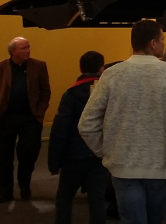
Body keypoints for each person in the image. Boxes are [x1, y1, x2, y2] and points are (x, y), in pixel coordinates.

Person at [79, 20, 166, 224]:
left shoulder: (111, 74)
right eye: (162, 39)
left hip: (122, 167)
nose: (164, 43)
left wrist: (106, 152)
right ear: (153, 43)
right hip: (160, 167)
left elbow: (86, 124)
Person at [0, 36, 51, 203]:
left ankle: (24, 185)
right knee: (3, 157)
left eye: (28, 47)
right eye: (24, 48)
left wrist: (40, 111)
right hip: (4, 118)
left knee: (28, 155)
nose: (28, 50)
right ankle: (4, 193)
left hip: (30, 118)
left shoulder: (39, 66)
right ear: (13, 51)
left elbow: (45, 91)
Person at [49, 51, 108, 224]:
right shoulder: (106, 93)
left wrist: (54, 162)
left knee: (64, 197)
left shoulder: (71, 94)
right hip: (99, 155)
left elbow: (60, 130)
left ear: (81, 68)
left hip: (74, 156)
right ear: (101, 68)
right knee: (97, 199)